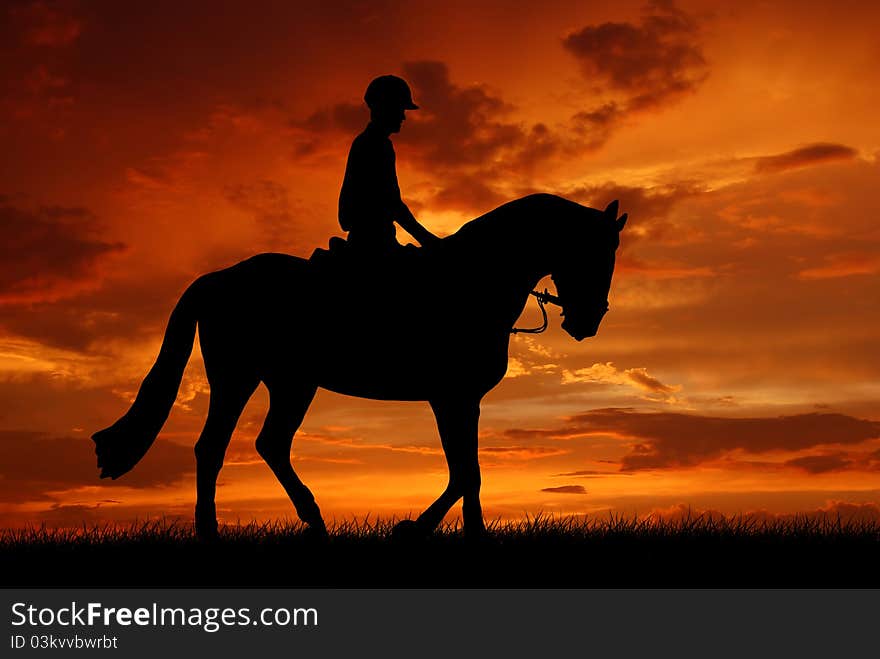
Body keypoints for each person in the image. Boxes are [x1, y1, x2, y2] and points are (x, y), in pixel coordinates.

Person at [338, 75, 439, 253]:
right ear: (386, 108)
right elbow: (391, 202)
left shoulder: (367, 142)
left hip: (371, 239)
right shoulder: (377, 145)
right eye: (400, 109)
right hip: (373, 245)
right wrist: (426, 238)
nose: (403, 117)